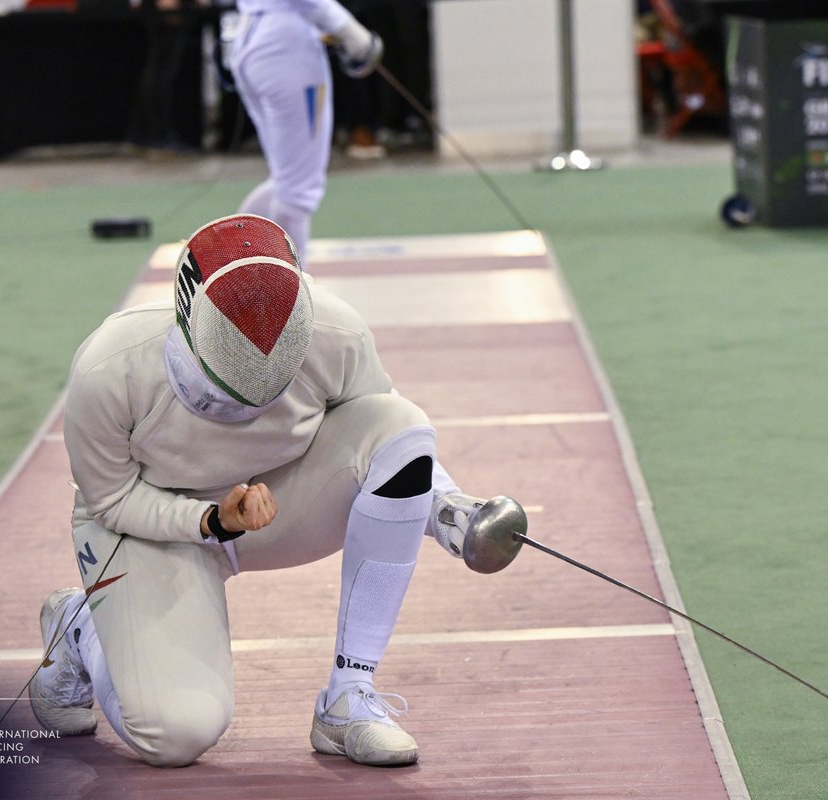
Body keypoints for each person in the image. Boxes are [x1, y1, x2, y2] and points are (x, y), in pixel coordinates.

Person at [28, 214, 517, 767]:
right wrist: (211, 521)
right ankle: (80, 628)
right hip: (149, 529)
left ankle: (346, 699)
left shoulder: (337, 333)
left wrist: (449, 508)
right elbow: (110, 500)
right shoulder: (110, 369)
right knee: (175, 736)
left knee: (399, 417)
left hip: (275, 507)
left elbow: (393, 446)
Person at [229, 0, 383, 265]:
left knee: (284, 180)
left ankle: (230, 265)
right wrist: (348, 29)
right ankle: (294, 300)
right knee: (298, 190)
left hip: (249, 35)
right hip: (285, 44)